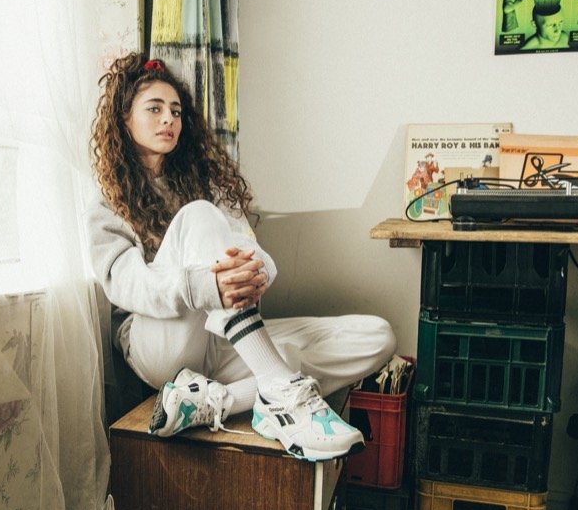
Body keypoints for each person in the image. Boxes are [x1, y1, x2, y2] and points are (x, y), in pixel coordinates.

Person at [85, 53, 396, 461]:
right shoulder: (108, 200)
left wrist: (256, 272)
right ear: (124, 120)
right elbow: (128, 285)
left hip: (222, 340)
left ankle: (221, 400)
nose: (169, 120)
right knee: (197, 215)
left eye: (176, 111)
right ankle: (280, 388)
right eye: (155, 109)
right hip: (160, 343)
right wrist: (204, 285)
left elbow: (253, 251)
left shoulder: (202, 182)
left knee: (377, 335)